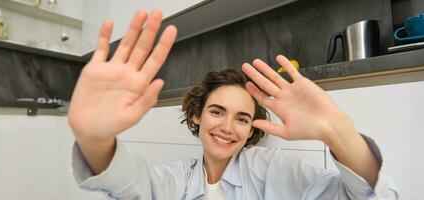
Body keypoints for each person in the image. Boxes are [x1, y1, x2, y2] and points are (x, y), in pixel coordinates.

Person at [68, 9, 398, 199]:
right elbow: (133, 183)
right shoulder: (181, 178)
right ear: (197, 115)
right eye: (216, 111)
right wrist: (94, 139)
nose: (228, 127)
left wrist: (336, 130)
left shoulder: (271, 169)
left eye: (242, 118)